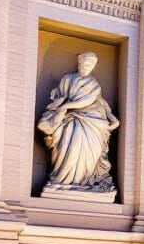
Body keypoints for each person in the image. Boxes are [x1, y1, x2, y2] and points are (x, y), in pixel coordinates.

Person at [38, 52, 119, 193]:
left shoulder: (94, 86)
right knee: (68, 143)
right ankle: (61, 180)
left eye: (91, 65)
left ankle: (84, 182)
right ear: (80, 63)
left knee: (89, 153)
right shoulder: (68, 79)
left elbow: (88, 101)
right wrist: (62, 108)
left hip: (93, 124)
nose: (87, 67)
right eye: (85, 63)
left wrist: (66, 107)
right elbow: (61, 97)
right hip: (70, 118)